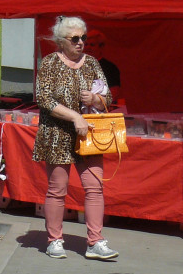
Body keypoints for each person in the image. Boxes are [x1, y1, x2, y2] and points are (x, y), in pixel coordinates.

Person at [32, 16, 119, 260]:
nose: (81, 43)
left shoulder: (91, 63)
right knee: (57, 189)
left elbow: (109, 98)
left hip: (88, 135)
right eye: (75, 39)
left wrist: (96, 100)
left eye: (84, 38)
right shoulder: (49, 63)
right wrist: (74, 117)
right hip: (57, 133)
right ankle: (55, 240)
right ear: (61, 42)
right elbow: (45, 99)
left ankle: (96, 241)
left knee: (94, 187)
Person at [85, 29, 121, 102]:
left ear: (101, 47)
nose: (87, 47)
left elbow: (113, 93)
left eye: (92, 45)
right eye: (86, 44)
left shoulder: (110, 68)